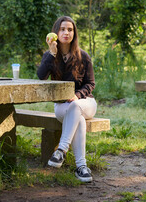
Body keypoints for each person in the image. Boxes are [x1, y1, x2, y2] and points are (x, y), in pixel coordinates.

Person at [37, 16, 97, 183]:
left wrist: (77, 96)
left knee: (76, 108)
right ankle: (81, 167)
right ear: (56, 32)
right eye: (63, 29)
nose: (66, 32)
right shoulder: (50, 56)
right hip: (62, 107)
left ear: (74, 33)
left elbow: (90, 83)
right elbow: (41, 76)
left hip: (86, 103)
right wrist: (52, 53)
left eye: (70, 30)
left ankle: (61, 151)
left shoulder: (83, 56)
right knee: (78, 119)